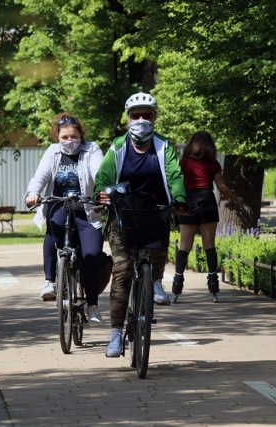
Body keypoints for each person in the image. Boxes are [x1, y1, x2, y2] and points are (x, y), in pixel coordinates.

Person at [94, 92, 186, 357]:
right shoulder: (118, 147)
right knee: (122, 269)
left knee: (158, 240)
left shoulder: (163, 147)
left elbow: (175, 175)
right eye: (136, 115)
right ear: (128, 120)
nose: (141, 120)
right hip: (122, 214)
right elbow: (103, 177)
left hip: (153, 211)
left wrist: (179, 198)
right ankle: (114, 335)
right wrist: (100, 193)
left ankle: (155, 280)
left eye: (147, 115)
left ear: (154, 118)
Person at [24, 113, 105, 325]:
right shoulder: (53, 152)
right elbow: (40, 177)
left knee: (93, 254)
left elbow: (99, 173)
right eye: (65, 137)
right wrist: (32, 194)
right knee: (53, 227)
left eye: (73, 136)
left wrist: (102, 192)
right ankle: (50, 282)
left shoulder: (92, 149)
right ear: (57, 137)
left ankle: (93, 305)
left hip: (86, 210)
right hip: (59, 205)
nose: (70, 141)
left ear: (81, 134)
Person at [172, 131, 244, 303]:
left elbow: (176, 183)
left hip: (188, 203)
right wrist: (236, 199)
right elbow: (222, 188)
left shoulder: (184, 162)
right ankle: (213, 288)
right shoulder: (213, 164)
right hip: (207, 202)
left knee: (184, 246)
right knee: (209, 246)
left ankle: (177, 287)